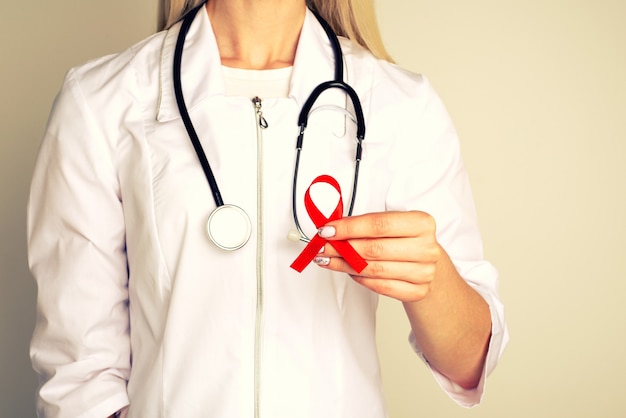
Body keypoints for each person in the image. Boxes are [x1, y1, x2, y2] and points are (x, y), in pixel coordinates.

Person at [27, 0, 508, 416]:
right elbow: (79, 375)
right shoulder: (100, 102)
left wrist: (432, 278)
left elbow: (468, 364)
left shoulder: (400, 105)